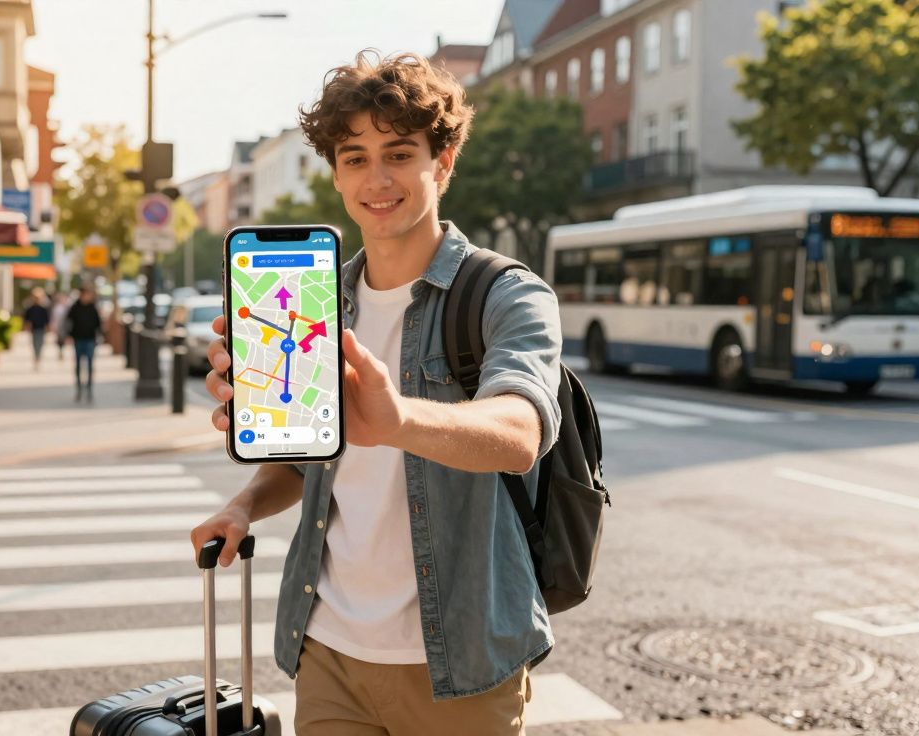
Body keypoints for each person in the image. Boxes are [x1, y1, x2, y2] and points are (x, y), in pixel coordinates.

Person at [190, 51, 563, 735]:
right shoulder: (312, 302)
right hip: (329, 650)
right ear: (336, 174)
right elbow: (311, 459)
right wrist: (244, 505)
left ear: (441, 162)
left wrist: (398, 422)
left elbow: (519, 434)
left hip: (463, 666)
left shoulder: (506, 294)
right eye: (355, 158)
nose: (377, 178)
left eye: (399, 153)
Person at [64, 286, 104, 402]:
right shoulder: (75, 307)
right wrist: (69, 335)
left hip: (90, 339)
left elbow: (98, 323)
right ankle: (79, 388)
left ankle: (89, 388)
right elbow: (68, 322)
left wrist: (100, 336)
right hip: (78, 339)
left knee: (90, 365)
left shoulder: (93, 308)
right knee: (78, 365)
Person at [23, 288, 53, 371]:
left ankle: (38, 358)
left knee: (40, 344)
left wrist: (48, 328)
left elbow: (47, 319)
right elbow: (27, 319)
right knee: (35, 345)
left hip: (41, 329)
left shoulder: (43, 309)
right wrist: (26, 327)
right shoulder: (30, 308)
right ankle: (36, 358)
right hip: (34, 329)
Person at [51, 292, 71, 361]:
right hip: (59, 326)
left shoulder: (67, 307)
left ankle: (62, 350)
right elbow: (54, 318)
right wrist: (53, 326)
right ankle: (60, 350)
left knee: (63, 339)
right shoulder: (57, 308)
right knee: (59, 339)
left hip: (65, 327)